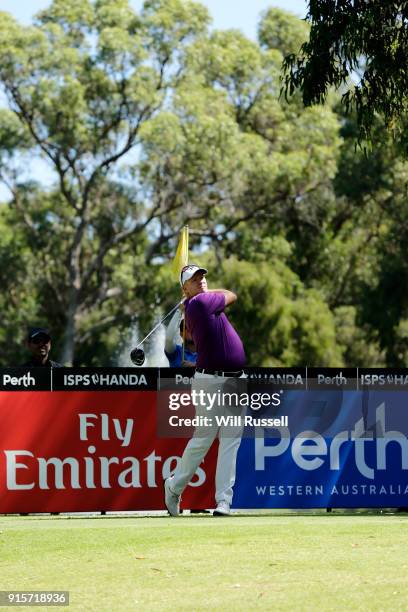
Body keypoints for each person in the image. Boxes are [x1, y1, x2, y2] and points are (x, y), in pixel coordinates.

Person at [164, 264, 246, 517]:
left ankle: (224, 501)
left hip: (235, 380)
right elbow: (232, 294)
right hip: (210, 380)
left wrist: (195, 295)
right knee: (203, 439)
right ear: (184, 288)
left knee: (230, 441)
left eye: (202, 277)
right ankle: (174, 486)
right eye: (194, 279)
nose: (201, 281)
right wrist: (197, 297)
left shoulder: (201, 302)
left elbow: (225, 295)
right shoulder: (199, 305)